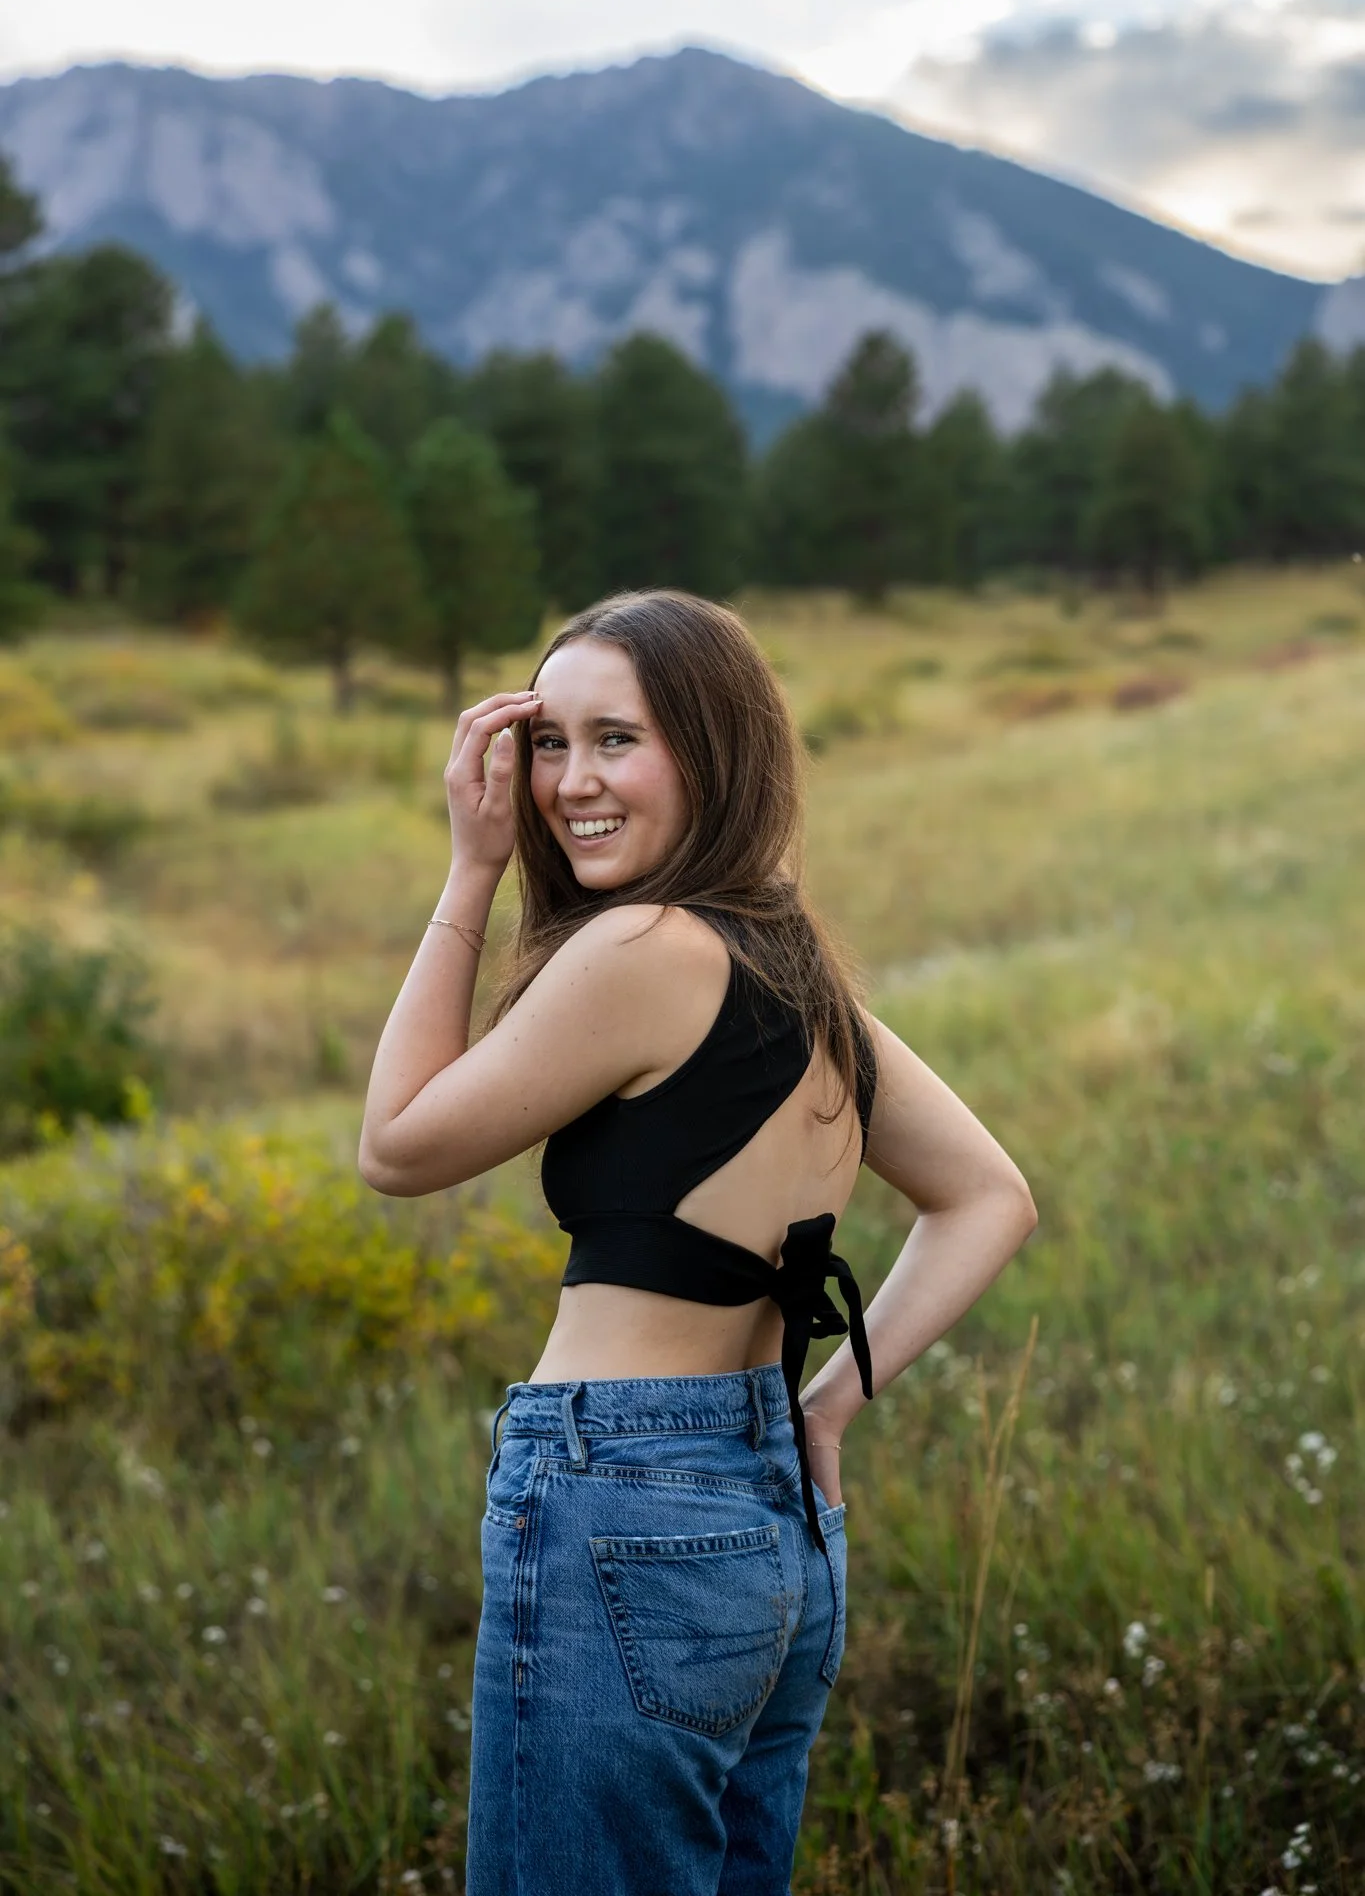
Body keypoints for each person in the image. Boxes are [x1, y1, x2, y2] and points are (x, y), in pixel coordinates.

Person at [359, 589, 1037, 1896]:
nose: (569, 783)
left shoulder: (644, 951)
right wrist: (825, 1414)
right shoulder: (792, 965)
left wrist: (469, 871)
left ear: (714, 751)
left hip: (616, 1490)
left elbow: (396, 1147)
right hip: (767, 1511)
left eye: (618, 739)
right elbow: (990, 1197)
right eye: (546, 743)